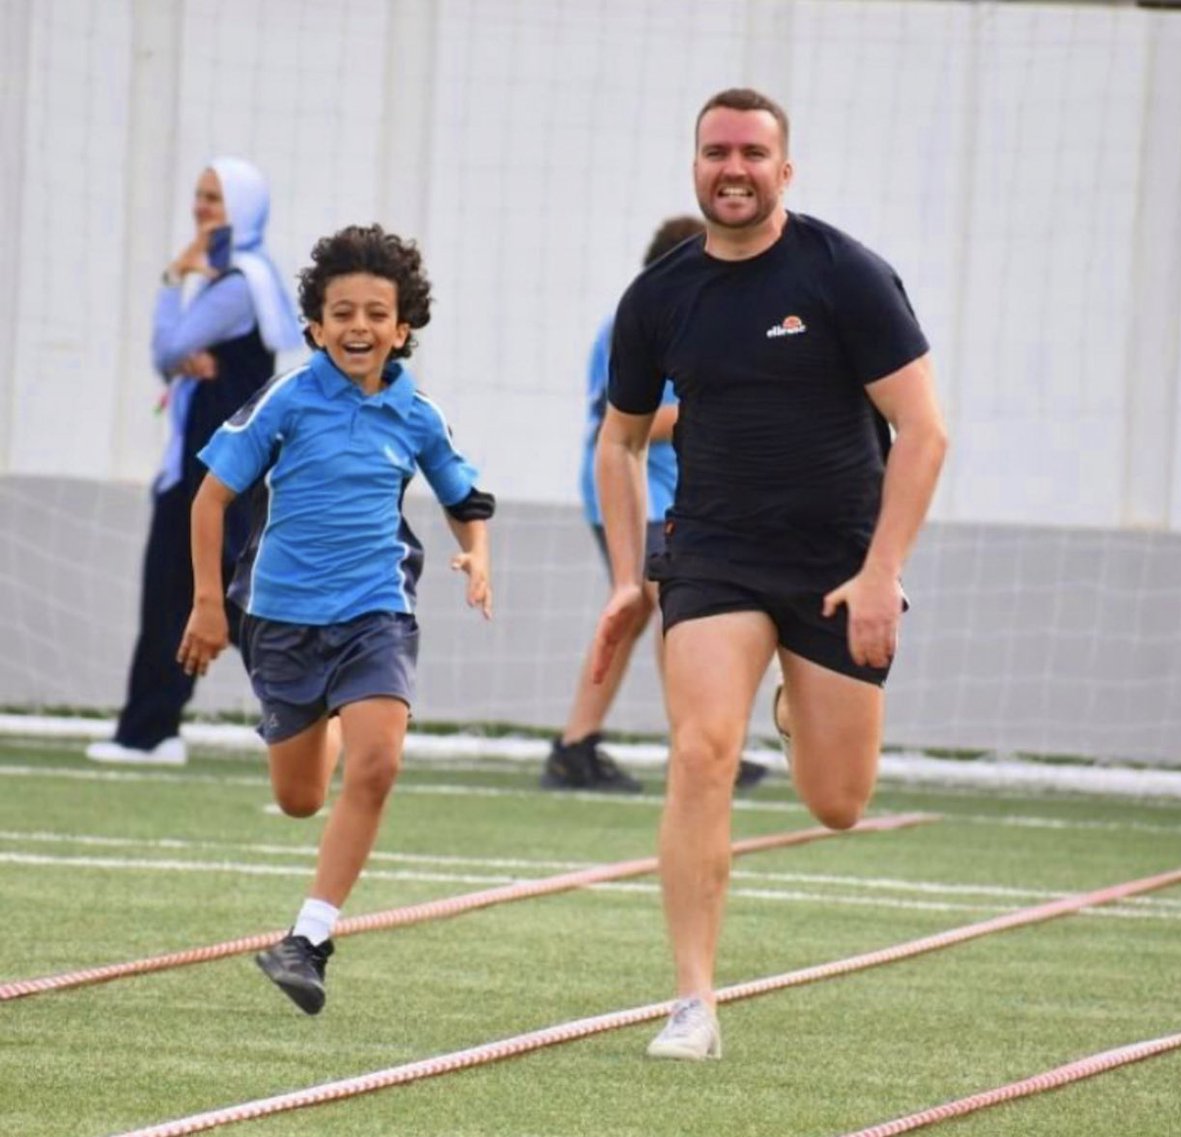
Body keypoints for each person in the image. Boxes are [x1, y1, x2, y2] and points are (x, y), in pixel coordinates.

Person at [590, 88, 948, 1059]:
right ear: (696, 164)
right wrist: (630, 579)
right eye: (716, 152)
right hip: (713, 553)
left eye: (752, 152)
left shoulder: (845, 276)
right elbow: (616, 444)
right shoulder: (660, 296)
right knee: (702, 749)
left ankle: (797, 697)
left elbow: (923, 430)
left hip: (838, 565)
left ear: (784, 169)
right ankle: (693, 1003)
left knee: (838, 804)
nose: (733, 168)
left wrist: (882, 572)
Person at [176, 223, 494, 1015]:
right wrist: (210, 605)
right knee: (299, 797)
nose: (359, 327)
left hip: (375, 611)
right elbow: (211, 496)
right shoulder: (289, 398)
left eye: (376, 313)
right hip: (280, 620)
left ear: (403, 327)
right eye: (342, 312)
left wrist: (477, 554)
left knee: (380, 763)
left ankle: (308, 937)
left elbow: (464, 500)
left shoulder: (418, 413)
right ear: (316, 326)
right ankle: (336, 719)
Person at [541, 216, 769, 794]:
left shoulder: (696, 321)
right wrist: (733, 408)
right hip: (634, 495)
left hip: (674, 498)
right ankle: (702, 742)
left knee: (644, 613)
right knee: (680, 610)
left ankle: (575, 746)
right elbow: (626, 424)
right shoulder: (635, 322)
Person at [87, 157, 302, 766]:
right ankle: (151, 729)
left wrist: (169, 278)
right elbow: (174, 359)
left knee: (231, 599)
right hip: (198, 463)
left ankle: (322, 709)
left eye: (215, 198)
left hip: (218, 467)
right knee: (177, 592)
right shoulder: (227, 280)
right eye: (199, 196)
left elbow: (169, 348)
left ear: (243, 208)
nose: (202, 208)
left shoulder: (238, 282)